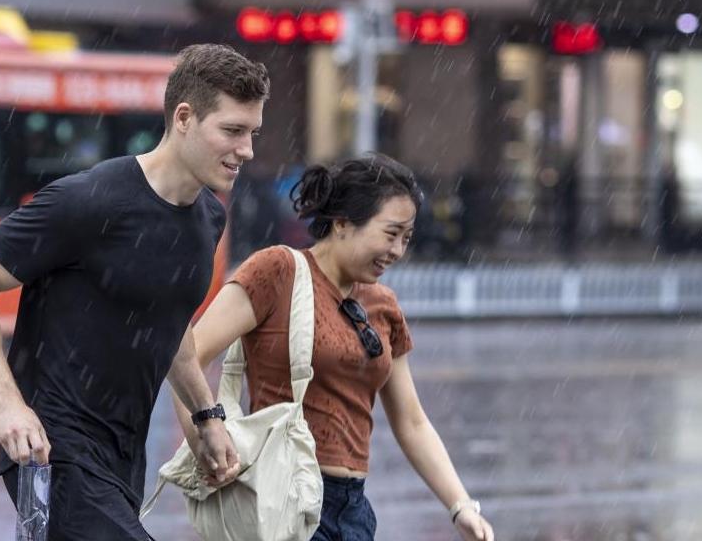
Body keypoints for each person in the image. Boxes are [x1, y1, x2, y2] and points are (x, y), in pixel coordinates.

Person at [0, 44, 269, 540]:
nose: (246, 150)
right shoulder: (90, 200)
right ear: (184, 118)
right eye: (232, 131)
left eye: (253, 133)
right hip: (52, 451)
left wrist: (206, 417)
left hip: (121, 459)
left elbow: (170, 321)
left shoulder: (208, 217)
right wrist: (8, 404)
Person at [174, 154, 496, 541]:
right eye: (390, 233)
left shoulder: (383, 306)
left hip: (353, 510)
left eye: (406, 238)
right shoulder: (279, 271)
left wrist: (460, 505)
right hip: (284, 496)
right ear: (342, 223)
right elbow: (186, 353)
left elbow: (411, 421)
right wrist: (204, 436)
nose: (397, 250)